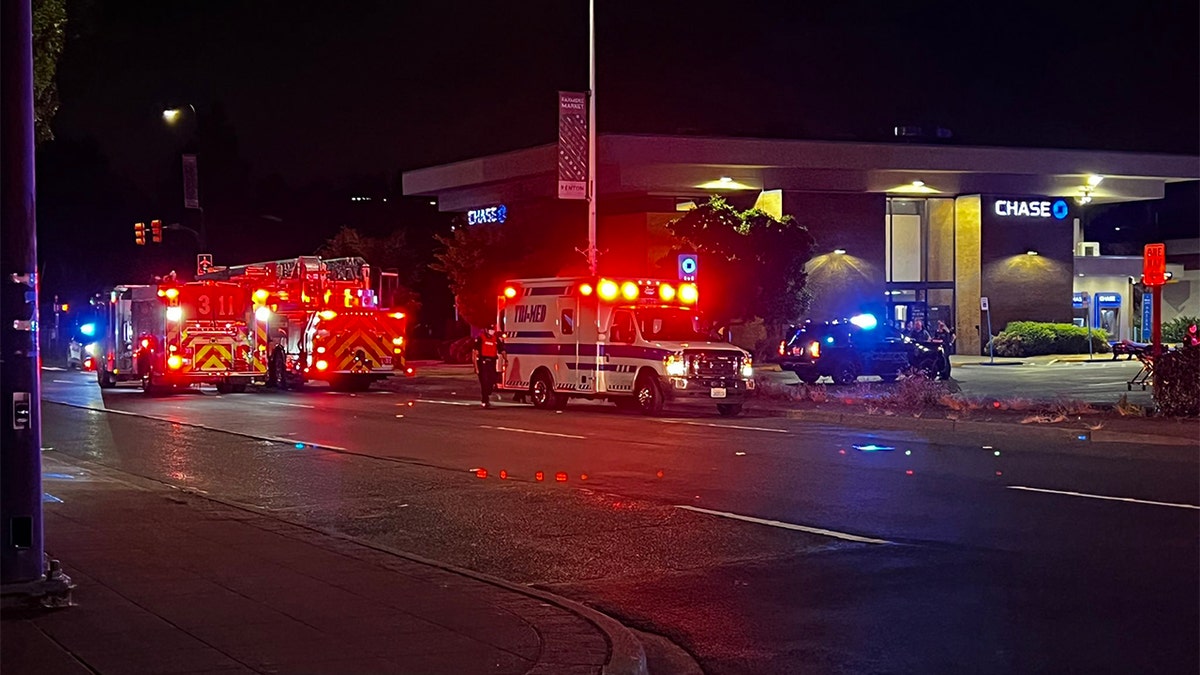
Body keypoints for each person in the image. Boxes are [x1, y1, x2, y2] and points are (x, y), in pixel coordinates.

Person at [472, 325, 504, 407]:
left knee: (492, 379)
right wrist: (476, 367)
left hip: (492, 363)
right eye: (490, 329)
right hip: (483, 363)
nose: (492, 331)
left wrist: (506, 359)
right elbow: (475, 353)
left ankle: (488, 392)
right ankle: (485, 400)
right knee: (484, 382)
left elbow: (502, 350)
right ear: (486, 330)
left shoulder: (495, 339)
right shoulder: (480, 339)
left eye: (493, 330)